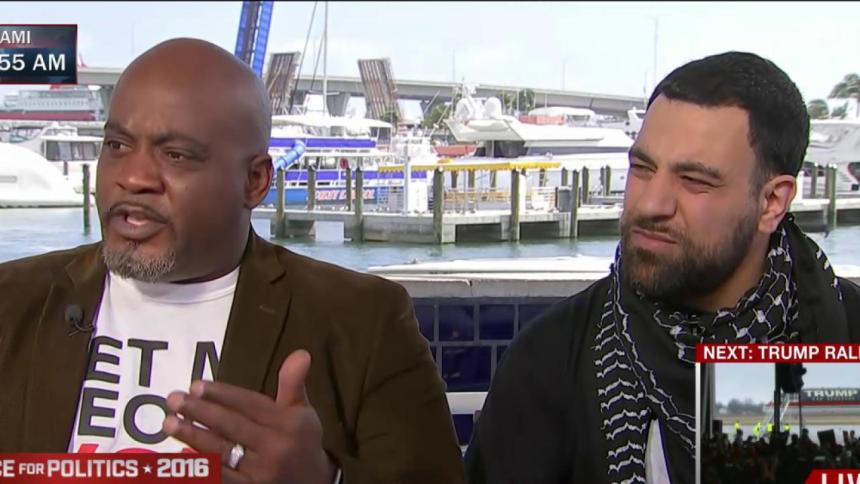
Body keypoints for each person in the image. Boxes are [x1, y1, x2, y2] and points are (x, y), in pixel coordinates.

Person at [0, 38, 466, 484]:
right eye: (117, 146)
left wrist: (326, 481)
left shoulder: (363, 322)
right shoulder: (12, 301)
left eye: (176, 155)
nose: (134, 177)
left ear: (255, 181)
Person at [465, 51, 860, 484]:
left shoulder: (838, 332)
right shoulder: (550, 360)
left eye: (694, 180)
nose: (651, 203)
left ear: (772, 202)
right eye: (643, 168)